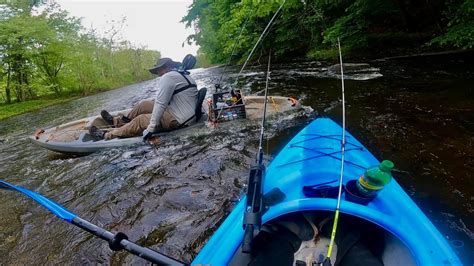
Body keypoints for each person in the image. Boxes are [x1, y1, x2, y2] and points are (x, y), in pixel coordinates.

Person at [88, 57, 198, 142]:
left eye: (159, 70)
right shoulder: (184, 76)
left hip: (179, 120)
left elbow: (160, 104)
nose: (158, 74)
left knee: (141, 120)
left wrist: (150, 128)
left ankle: (106, 135)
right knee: (144, 104)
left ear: (167, 67)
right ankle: (117, 122)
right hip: (181, 113)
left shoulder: (168, 77)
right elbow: (168, 99)